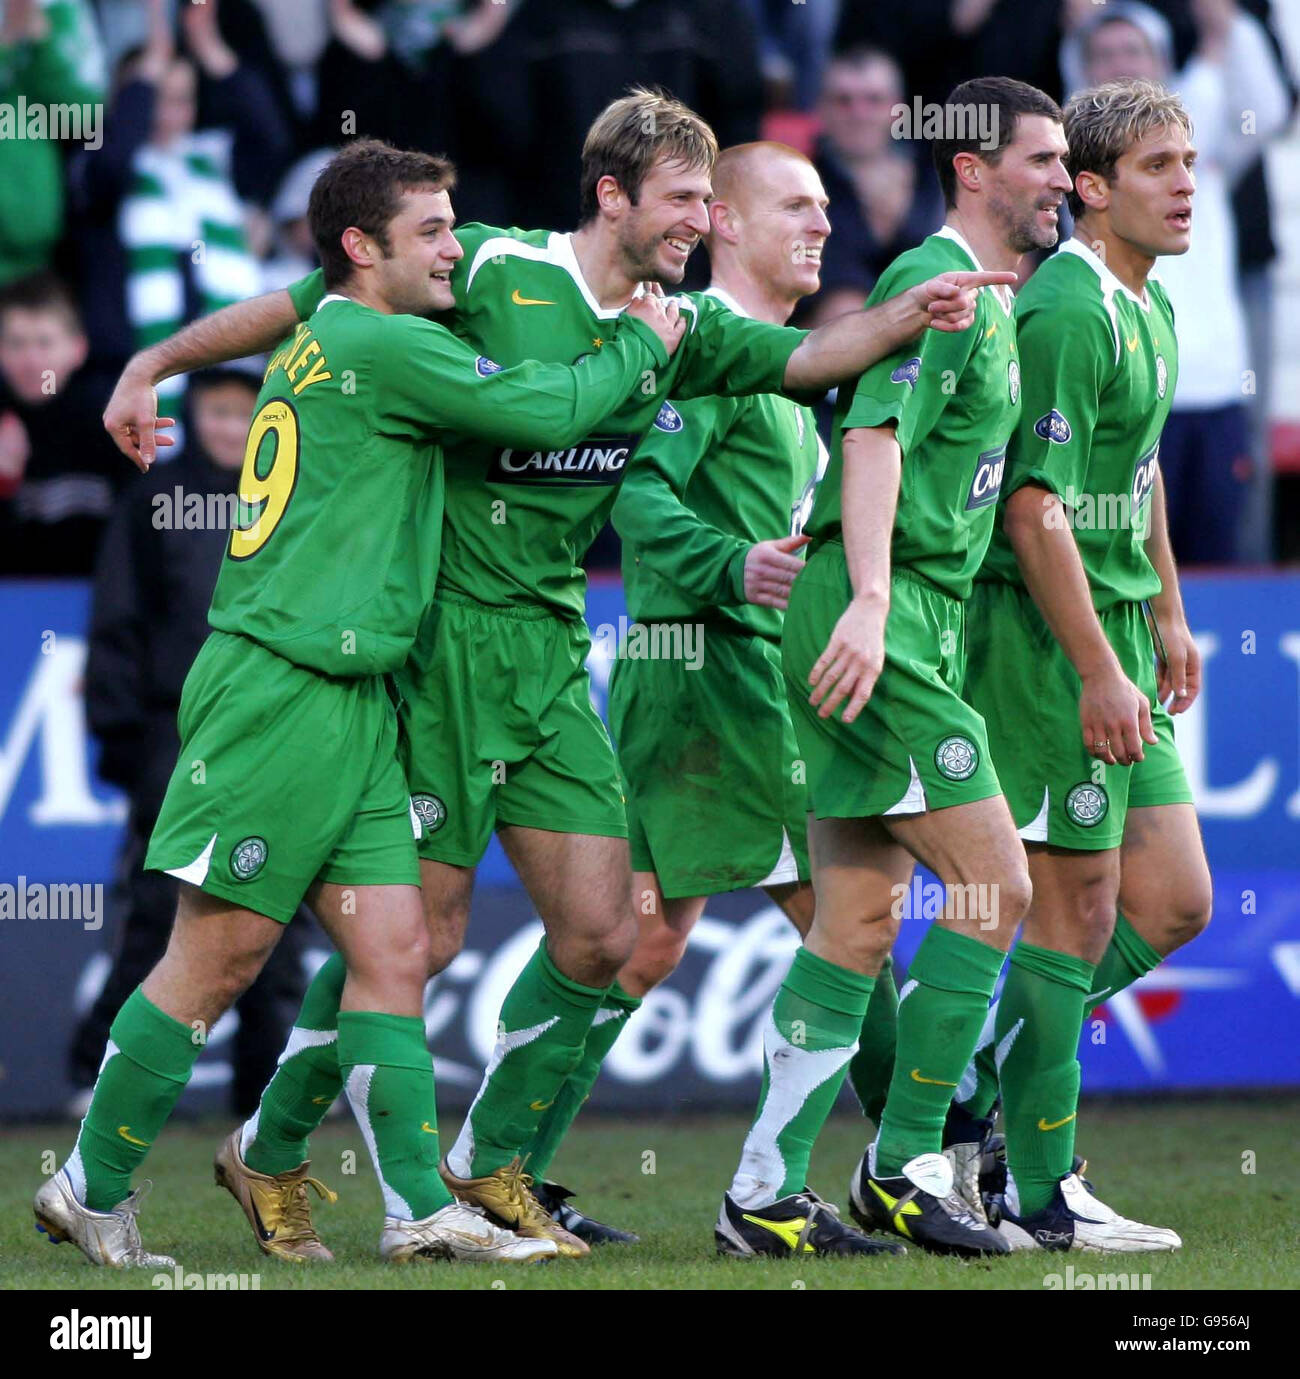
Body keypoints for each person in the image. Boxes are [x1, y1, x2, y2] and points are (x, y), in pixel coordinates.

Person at [98, 88, 1010, 1260]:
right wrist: (155, 361)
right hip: (439, 650)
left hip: (552, 650)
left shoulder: (680, 322)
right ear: (612, 195)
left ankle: (486, 1168)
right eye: (681, 201)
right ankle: (282, 1148)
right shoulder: (486, 267)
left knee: (603, 932)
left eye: (704, 202)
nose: (698, 224)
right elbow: (305, 302)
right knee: (410, 943)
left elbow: (806, 355)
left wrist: (908, 315)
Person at [32, 137, 686, 1269]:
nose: (453, 247)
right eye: (431, 231)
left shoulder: (333, 328)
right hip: (282, 682)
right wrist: (639, 335)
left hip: (362, 687)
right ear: (359, 248)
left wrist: (149, 365)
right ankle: (89, 1185)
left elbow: (271, 316)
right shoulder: (380, 343)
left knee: (393, 944)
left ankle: (416, 1205)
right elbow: (544, 411)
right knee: (218, 958)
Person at [718, 76, 1071, 1259]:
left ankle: (760, 1192)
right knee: (995, 884)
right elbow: (867, 436)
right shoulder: (943, 287)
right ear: (971, 169)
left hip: (904, 607)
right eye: (1041, 161)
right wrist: (868, 600)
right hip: (877, 606)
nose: (1063, 182)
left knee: (859, 918)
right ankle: (909, 1161)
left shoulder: (995, 304)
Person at [588, 141, 898, 1253]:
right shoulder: (701, 352)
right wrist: (735, 565)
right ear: (721, 219)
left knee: (646, 939)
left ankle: (494, 1163)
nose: (821, 223)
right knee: (844, 916)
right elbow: (638, 494)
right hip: (704, 677)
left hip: (745, 676)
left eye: (827, 203)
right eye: (796, 205)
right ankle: (919, 1155)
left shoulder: (781, 371)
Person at [951, 78, 1211, 1252]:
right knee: (1073, 908)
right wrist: (1100, 664)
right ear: (1095, 189)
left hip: (1112, 625)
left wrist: (1166, 608)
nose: (1188, 188)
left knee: (1174, 901)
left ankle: (971, 1092)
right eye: (1161, 169)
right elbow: (1033, 509)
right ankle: (1033, 1184)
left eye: (1194, 165)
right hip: (1045, 643)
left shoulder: (1144, 305)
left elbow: (1137, 467)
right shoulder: (1064, 308)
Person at [71, 366, 308, 1120]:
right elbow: (116, 621)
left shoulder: (294, 494)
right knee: (157, 907)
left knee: (278, 906)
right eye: (214, 410)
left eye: (244, 413)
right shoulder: (152, 499)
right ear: (192, 412)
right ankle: (95, 1075)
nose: (228, 427)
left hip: (273, 730)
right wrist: (122, 737)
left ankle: (260, 1093)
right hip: (175, 735)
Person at [1063, 0, 1290, 563]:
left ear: (1165, 67)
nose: (1118, 65)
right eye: (1103, 54)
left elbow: (1266, 103)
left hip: (1213, 389)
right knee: (1123, 559)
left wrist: (1223, 23)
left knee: (1218, 561)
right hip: (1121, 387)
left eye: (1133, 52)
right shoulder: (1069, 164)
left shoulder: (1200, 135)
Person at [807, 47, 944, 327]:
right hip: (833, 346)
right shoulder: (794, 186)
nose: (859, 113)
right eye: (844, 100)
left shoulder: (940, 176)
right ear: (822, 109)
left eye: (874, 100)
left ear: (899, 110)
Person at [0, 274, 126, 575]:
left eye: (44, 343)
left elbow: (135, 542)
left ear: (78, 349)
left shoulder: (111, 424)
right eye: (16, 344)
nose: (31, 360)